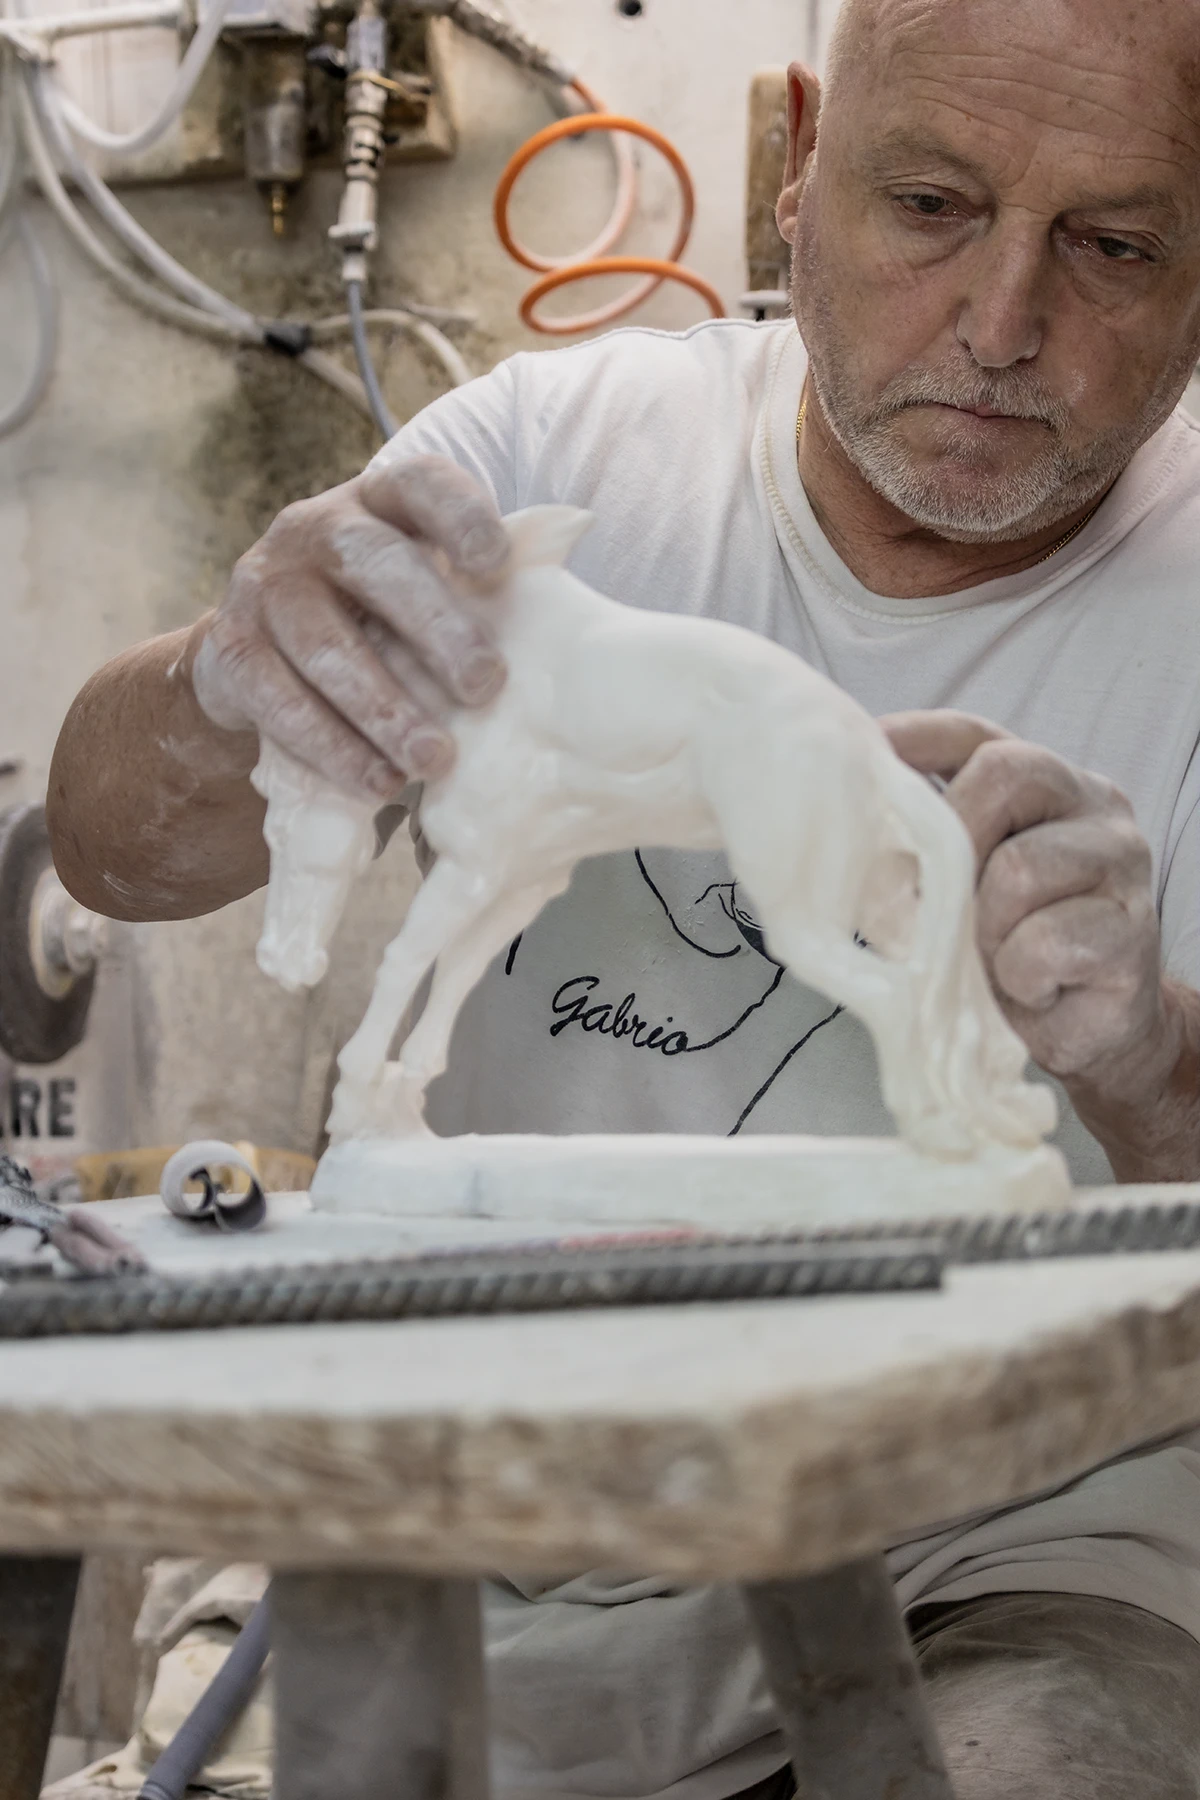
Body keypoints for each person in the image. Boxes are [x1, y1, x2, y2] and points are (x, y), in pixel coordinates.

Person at [48, 0, 1200, 1792]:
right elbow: (114, 849)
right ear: (796, 160)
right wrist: (226, 679)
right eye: (931, 207)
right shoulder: (549, 456)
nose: (1001, 324)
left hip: (997, 1547)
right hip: (480, 1492)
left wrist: (1152, 1064)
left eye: (1114, 244)